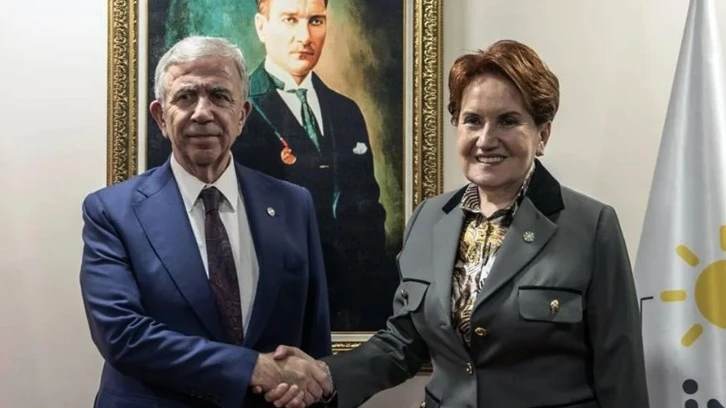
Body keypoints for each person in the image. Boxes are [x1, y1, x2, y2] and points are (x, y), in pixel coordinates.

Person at [263, 39, 650, 407]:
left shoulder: (591, 226)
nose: (486, 139)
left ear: (542, 134)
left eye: (508, 121)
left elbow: (620, 371)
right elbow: (403, 342)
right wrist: (327, 375)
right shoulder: (429, 218)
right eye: (472, 121)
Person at [79, 35, 334, 408]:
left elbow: (314, 340)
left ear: (242, 115)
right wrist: (252, 368)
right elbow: (123, 336)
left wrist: (315, 390)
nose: (202, 112)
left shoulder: (294, 205)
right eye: (185, 97)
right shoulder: (110, 212)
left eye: (219, 95)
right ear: (160, 117)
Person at [232, 0, 396, 331]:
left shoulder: (346, 110)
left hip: (352, 308)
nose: (305, 36)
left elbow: (369, 212)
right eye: (290, 20)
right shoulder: (238, 111)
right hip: (276, 309)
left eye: (316, 21)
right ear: (261, 27)